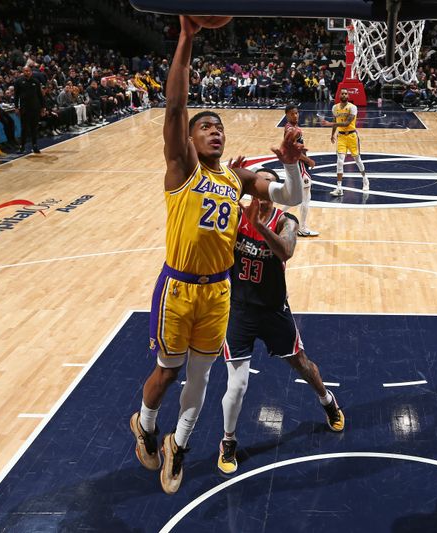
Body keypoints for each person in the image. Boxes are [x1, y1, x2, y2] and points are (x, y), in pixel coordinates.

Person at [129, 15, 305, 495]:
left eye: (219, 127)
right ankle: (145, 423)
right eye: (205, 127)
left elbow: (288, 196)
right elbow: (174, 106)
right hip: (178, 287)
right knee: (167, 374)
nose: (215, 131)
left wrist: (289, 162)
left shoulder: (235, 179)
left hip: (220, 291)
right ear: (188, 139)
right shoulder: (182, 169)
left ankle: (178, 446)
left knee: (201, 377)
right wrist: (186, 38)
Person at [217, 167, 343, 474]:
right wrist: (227, 181)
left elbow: (286, 251)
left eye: (270, 188)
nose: (263, 193)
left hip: (274, 311)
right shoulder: (235, 215)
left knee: (303, 364)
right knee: (237, 386)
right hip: (240, 311)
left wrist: (260, 228)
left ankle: (327, 400)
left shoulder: (287, 221)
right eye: (259, 187)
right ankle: (228, 441)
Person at [320, 88, 367, 197]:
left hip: (352, 136)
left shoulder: (352, 108)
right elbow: (335, 122)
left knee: (357, 159)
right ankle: (339, 187)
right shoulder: (334, 108)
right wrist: (332, 134)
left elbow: (346, 123)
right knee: (340, 161)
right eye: (343, 93)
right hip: (341, 137)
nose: (344, 95)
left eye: (346, 94)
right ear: (339, 95)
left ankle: (365, 179)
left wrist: (328, 124)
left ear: (348, 96)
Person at [284, 104, 319, 237]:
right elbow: (292, 151)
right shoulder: (291, 130)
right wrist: (307, 160)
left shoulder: (293, 127)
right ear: (287, 115)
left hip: (295, 164)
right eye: (292, 114)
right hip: (298, 164)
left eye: (297, 113)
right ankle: (303, 228)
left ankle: (275, 217)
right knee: (305, 196)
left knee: (294, 195)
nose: (296, 115)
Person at [14, 65, 44, 153]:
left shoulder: (36, 81)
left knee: (34, 128)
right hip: (24, 109)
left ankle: (35, 145)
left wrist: (43, 107)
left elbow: (40, 95)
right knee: (24, 128)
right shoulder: (18, 81)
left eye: (28, 71)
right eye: (25, 71)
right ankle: (22, 146)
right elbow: (16, 96)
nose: (26, 72)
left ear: (31, 71)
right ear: (23, 72)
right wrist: (16, 107)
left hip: (35, 108)